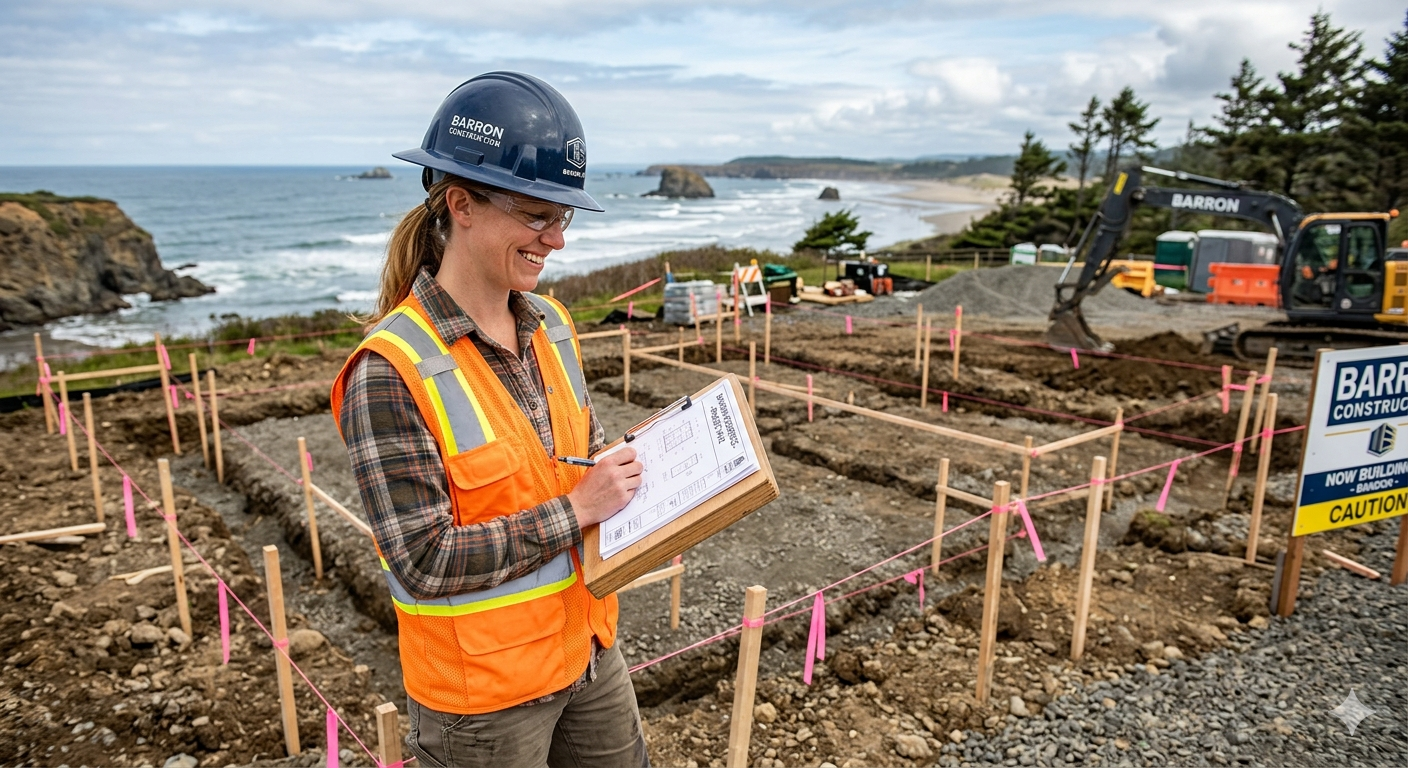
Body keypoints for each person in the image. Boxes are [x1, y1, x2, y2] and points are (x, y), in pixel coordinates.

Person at [330, 72, 649, 768]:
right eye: (537, 215)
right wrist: (578, 510)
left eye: (563, 218)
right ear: (461, 204)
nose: (556, 240)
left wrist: (644, 490)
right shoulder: (390, 369)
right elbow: (424, 560)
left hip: (589, 648)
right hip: (484, 700)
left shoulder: (553, 325)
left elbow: (580, 457)